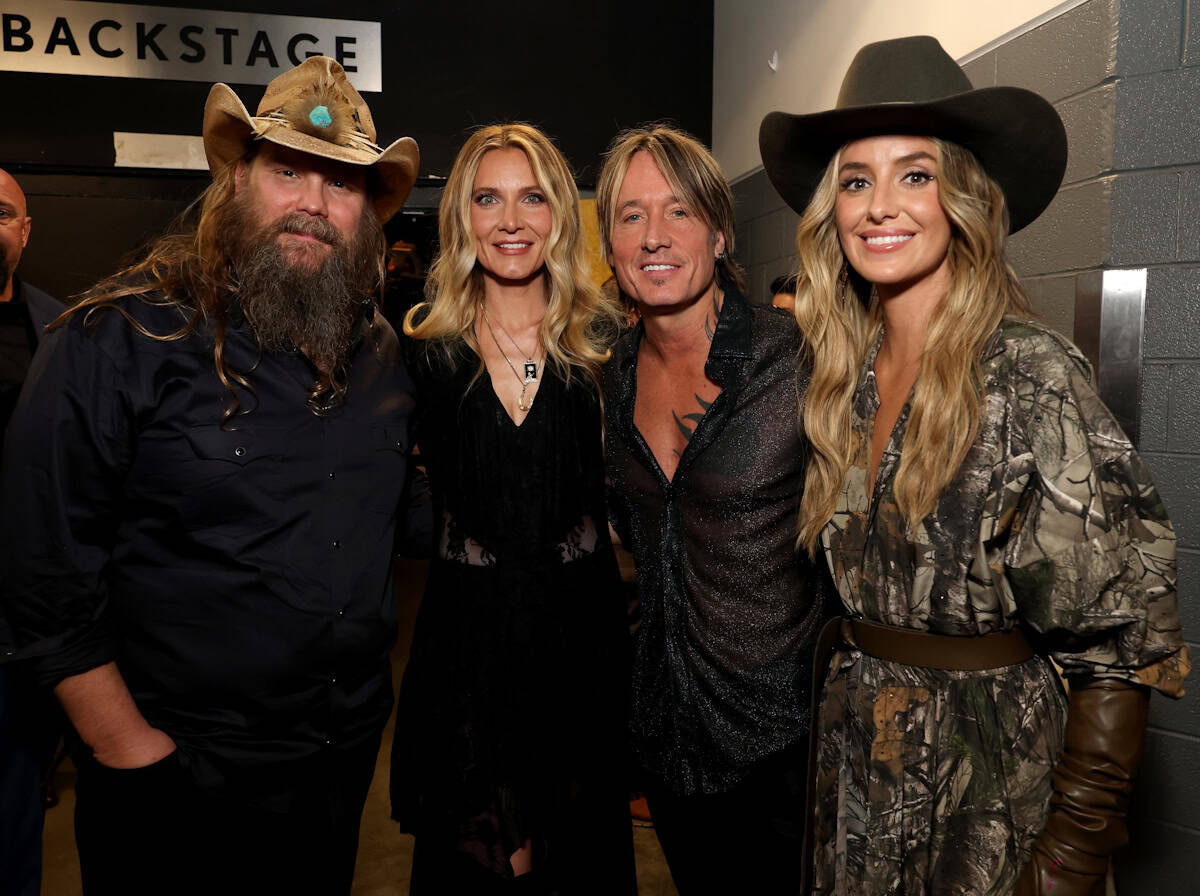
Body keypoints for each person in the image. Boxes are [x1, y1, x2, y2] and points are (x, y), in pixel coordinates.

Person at [759, 35, 1190, 896]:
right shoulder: (838, 378)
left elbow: (1118, 649)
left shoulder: (1030, 375)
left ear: (961, 197)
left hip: (992, 805)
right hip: (859, 790)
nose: (880, 206)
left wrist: (1064, 866)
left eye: (914, 174)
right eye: (856, 180)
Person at [1, 57, 421, 895]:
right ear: (237, 179)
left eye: (341, 184)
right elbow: (41, 576)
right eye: (288, 169)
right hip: (175, 784)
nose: (312, 202)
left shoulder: (379, 354)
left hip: (336, 773)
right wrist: (129, 752)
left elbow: (394, 518)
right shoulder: (113, 337)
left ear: (368, 215)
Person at [389, 123, 636, 894]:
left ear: (560, 214)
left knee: (578, 859)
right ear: (462, 216)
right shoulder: (425, 350)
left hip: (580, 644)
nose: (510, 221)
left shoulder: (606, 346)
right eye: (487, 199)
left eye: (531, 198)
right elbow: (388, 483)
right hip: (468, 649)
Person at [597, 125, 832, 894]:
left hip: (785, 745)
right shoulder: (606, 381)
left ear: (721, 231)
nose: (655, 237)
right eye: (631, 216)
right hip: (666, 739)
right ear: (608, 241)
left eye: (679, 212)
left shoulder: (796, 360)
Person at [0, 166, 64, 896]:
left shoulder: (56, 327)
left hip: (21, 629)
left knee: (15, 821)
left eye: (2, 211)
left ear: (23, 230)